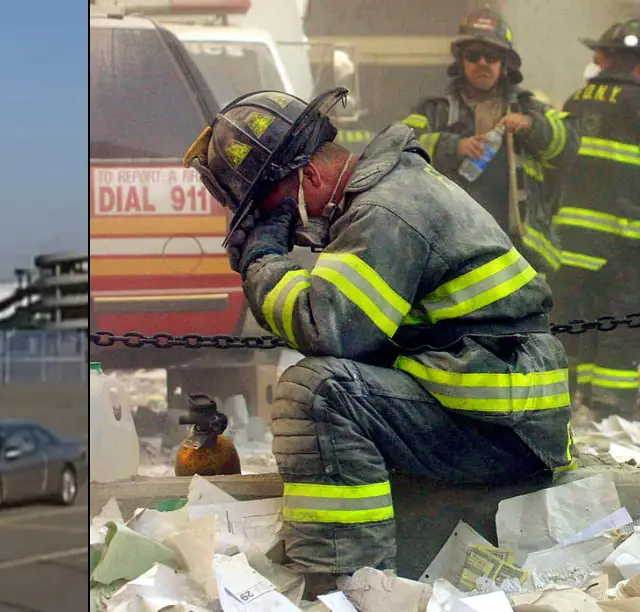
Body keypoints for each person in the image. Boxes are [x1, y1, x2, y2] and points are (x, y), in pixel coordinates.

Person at [182, 87, 574, 596]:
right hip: (496, 410)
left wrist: (262, 260)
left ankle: (349, 586)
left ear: (308, 176)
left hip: (502, 426)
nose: (286, 227)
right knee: (336, 387)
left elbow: (326, 328)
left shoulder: (384, 213)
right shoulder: (387, 194)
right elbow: (361, 336)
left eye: (273, 208)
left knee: (318, 392)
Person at [399, 7, 579, 274]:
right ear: (461, 60)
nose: (483, 62)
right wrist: (452, 147)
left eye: (492, 56)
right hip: (451, 247)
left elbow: (570, 144)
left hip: (517, 252)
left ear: (504, 63)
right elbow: (399, 150)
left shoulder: (528, 106)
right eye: (473, 55)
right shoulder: (433, 108)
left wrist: (531, 126)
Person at [553, 20, 640, 418]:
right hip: (627, 237)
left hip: (572, 237)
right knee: (621, 321)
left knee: (578, 321)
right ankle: (612, 409)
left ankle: (572, 399)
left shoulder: (576, 99)